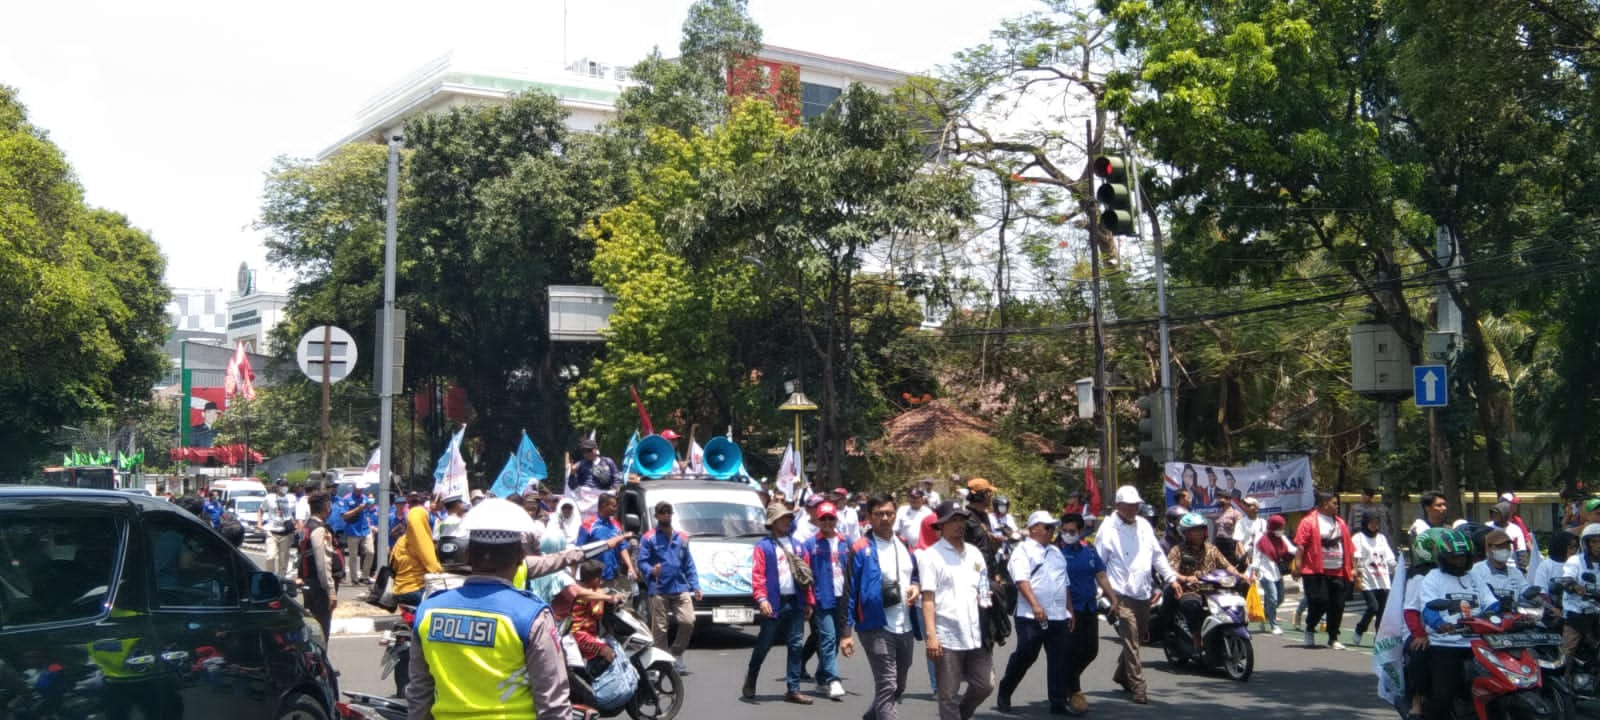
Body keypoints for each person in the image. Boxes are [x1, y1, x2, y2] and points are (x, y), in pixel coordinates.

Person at [406, 498, 572, 720]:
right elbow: (553, 706)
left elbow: (419, 695)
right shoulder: (531, 616)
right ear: (521, 557)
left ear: (467, 555)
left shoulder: (428, 611)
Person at [841, 493, 921, 720]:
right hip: (875, 625)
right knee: (887, 684)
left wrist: (915, 585)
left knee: (898, 685)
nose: (885, 518)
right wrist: (845, 633)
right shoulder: (860, 548)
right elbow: (849, 592)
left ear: (895, 514)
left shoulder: (904, 544)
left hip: (904, 624)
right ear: (869, 517)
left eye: (889, 513)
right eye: (878, 514)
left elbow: (914, 574)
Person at [1097, 486, 1178, 705]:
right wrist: (1103, 594)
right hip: (1120, 594)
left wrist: (1171, 578)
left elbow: (1157, 555)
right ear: (1118, 505)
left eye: (1136, 505)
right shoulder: (1107, 529)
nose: (1133, 508)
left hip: (1142, 592)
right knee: (1131, 639)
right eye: (1129, 505)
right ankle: (1138, 686)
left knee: (1138, 638)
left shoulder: (1143, 525)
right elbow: (1098, 563)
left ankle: (1122, 674)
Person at [919, 501, 994, 720]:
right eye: (953, 520)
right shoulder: (931, 556)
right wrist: (931, 636)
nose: (959, 525)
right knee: (948, 694)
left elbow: (983, 585)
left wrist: (987, 599)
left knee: (985, 683)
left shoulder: (974, 554)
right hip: (947, 633)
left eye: (961, 520)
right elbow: (928, 600)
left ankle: (961, 715)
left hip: (976, 631)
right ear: (940, 525)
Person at [995, 511, 1073, 715]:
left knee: (1059, 658)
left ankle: (1058, 701)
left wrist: (1070, 610)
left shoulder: (1056, 552)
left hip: (1057, 615)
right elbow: (1022, 580)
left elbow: (1064, 583)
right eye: (1047, 527)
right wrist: (1036, 605)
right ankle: (1005, 690)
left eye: (1052, 527)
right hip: (1031, 616)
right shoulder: (1022, 551)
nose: (1051, 531)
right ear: (1033, 529)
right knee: (1026, 655)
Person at [1417, 529, 1498, 720]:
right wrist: (1440, 624)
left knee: (1498, 689)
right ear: (1444, 557)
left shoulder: (1474, 577)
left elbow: (1491, 601)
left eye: (1463, 557)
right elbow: (1428, 607)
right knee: (1443, 696)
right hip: (1446, 645)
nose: (1460, 561)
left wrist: (1497, 612)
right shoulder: (1433, 577)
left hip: (1479, 643)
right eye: (1455, 557)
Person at [745, 503, 816, 704]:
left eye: (788, 518)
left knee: (795, 644)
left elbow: (806, 576)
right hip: (774, 602)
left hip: (795, 602)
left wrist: (809, 601)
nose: (787, 521)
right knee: (764, 644)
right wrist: (762, 599)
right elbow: (758, 575)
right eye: (782, 518)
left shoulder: (799, 546)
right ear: (773, 522)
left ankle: (793, 688)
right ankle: (751, 678)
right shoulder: (763, 547)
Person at [1057, 513, 1114, 715]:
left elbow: (1101, 576)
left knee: (1091, 650)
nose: (1067, 535)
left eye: (1071, 531)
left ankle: (1065, 682)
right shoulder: (1057, 554)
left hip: (1089, 607)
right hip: (1069, 611)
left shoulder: (1089, 552)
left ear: (1080, 532)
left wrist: (1113, 600)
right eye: (1064, 531)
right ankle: (1074, 690)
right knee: (1071, 651)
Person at [1166, 513, 1248, 652]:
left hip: (1214, 589)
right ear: (1186, 533)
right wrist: (1186, 578)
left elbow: (1226, 565)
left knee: (1241, 590)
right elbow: (1170, 570)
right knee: (1191, 605)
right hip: (1190, 589)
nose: (1198, 533)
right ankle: (1196, 637)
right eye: (1194, 530)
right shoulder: (1178, 550)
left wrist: (1240, 575)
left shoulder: (1212, 549)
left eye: (1200, 529)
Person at [637, 502, 700, 675]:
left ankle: (677, 652)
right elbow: (641, 561)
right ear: (656, 516)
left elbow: (689, 563)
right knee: (660, 628)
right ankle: (661, 662)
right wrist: (651, 570)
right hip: (659, 589)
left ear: (672, 515)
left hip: (680, 586)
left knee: (688, 621)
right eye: (662, 513)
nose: (665, 515)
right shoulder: (649, 537)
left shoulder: (682, 537)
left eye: (668, 512)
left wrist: (696, 585)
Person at [800, 501, 849, 699]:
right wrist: (807, 601)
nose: (828, 522)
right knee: (827, 638)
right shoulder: (810, 545)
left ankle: (821, 676)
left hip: (842, 599)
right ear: (818, 521)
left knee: (836, 639)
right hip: (822, 598)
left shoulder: (846, 542)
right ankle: (833, 679)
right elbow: (804, 577)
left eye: (831, 518)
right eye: (824, 519)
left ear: (836, 519)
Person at [1294, 490, 1355, 649]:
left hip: (1337, 570)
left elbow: (1349, 547)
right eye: (1334, 503)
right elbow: (1300, 545)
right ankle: (1309, 628)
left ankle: (1333, 637)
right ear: (1324, 504)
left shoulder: (1340, 523)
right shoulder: (1308, 521)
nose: (1337, 506)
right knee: (1320, 601)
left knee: (1338, 604)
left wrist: (1353, 568)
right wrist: (1298, 565)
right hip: (1315, 570)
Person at [298, 493, 340, 639]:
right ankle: (320, 660)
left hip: (310, 583)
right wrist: (330, 591)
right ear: (326, 508)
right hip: (319, 588)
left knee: (314, 629)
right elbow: (323, 563)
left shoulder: (307, 527)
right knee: (321, 631)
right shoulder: (319, 529)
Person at [1352, 511, 1397, 647]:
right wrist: (1357, 575)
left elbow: (1389, 558)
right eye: (1371, 522)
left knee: (1382, 612)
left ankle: (1378, 638)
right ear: (1365, 522)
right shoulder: (1358, 538)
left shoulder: (1382, 538)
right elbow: (1356, 557)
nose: (1374, 525)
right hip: (1367, 578)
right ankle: (1360, 629)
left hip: (1383, 579)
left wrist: (1396, 567)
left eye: (1376, 523)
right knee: (1373, 607)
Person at [577, 493, 636, 594]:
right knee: (595, 608)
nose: (616, 508)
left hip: (612, 576)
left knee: (611, 606)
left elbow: (622, 547)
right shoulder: (588, 525)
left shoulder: (616, 525)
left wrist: (630, 567)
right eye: (613, 506)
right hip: (593, 578)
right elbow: (579, 551)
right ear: (604, 505)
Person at [1252, 514, 1296, 635]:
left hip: (1277, 572)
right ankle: (1273, 625)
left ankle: (1264, 616)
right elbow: (1257, 556)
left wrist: (1303, 549)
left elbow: (1292, 549)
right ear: (1272, 527)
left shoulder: (1281, 538)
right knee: (1272, 597)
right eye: (1279, 528)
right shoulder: (1261, 538)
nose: (1281, 530)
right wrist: (1253, 572)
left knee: (1280, 598)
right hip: (1264, 572)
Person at [1471, 529, 1527, 607]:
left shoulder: (1516, 573)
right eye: (1500, 546)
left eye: (1507, 545)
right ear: (1489, 548)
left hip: (1513, 616)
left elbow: (1525, 591)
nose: (1505, 549)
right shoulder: (1476, 571)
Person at [334, 486, 375, 584]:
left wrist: (370, 527)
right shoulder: (347, 499)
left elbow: (367, 514)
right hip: (352, 531)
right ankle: (354, 578)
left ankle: (365, 576)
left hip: (365, 529)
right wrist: (357, 509)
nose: (360, 490)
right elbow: (344, 515)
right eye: (358, 489)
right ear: (353, 488)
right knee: (353, 556)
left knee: (370, 552)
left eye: (361, 489)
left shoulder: (365, 498)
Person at [261, 479, 297, 580]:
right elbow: (261, 510)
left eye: (286, 485)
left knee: (283, 560)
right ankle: (270, 578)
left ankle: (281, 581)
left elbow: (295, 513)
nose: (284, 487)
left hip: (286, 533)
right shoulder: (269, 498)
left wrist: (297, 525)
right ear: (277, 487)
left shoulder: (292, 498)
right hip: (272, 532)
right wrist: (259, 523)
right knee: (270, 556)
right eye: (282, 485)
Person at [1486, 502, 1530, 570]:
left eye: (1496, 513)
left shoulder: (1515, 530)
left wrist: (1523, 570)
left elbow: (1521, 552)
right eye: (1492, 513)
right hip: (1490, 567)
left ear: (1504, 514)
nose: (1493, 515)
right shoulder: (1487, 527)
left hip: (1511, 567)